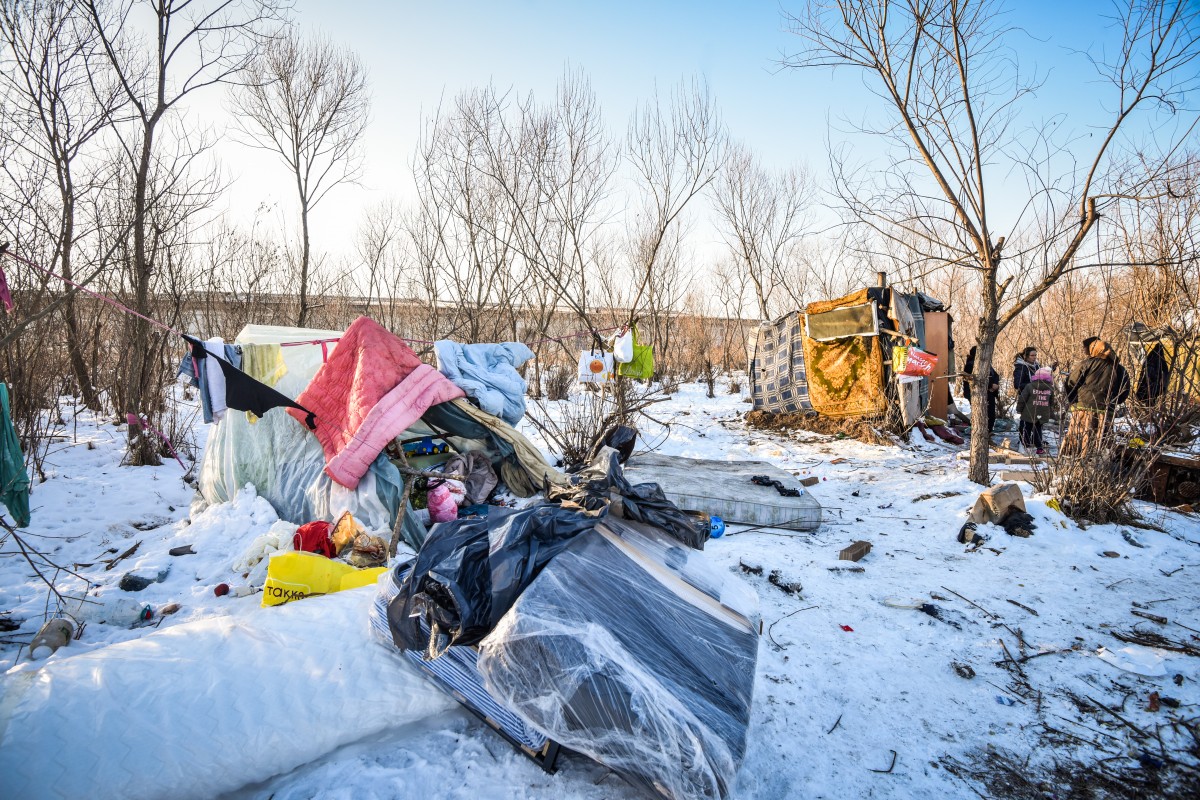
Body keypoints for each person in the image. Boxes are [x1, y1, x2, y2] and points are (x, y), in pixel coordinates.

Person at [1062, 338, 1130, 455]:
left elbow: (1070, 383)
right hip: (1105, 409)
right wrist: (1113, 402)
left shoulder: (1086, 363)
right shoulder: (1119, 368)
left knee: (1078, 435)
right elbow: (1124, 390)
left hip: (1082, 408)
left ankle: (1071, 462)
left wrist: (1073, 401)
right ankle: (1095, 463)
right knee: (1101, 438)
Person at [963, 345, 1001, 434]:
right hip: (977, 394)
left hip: (989, 392)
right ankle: (982, 434)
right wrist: (991, 385)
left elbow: (995, 375)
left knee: (991, 414)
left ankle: (989, 432)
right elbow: (975, 380)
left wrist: (995, 384)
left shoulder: (986, 364)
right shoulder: (970, 365)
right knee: (982, 415)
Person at [1016, 366, 1054, 455]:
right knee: (1038, 430)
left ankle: (1027, 446)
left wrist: (1019, 409)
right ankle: (1039, 447)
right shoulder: (1050, 388)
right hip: (1042, 413)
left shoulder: (1030, 386)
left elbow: (1023, 399)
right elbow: (1051, 402)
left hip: (1029, 413)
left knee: (1026, 429)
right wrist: (1049, 411)